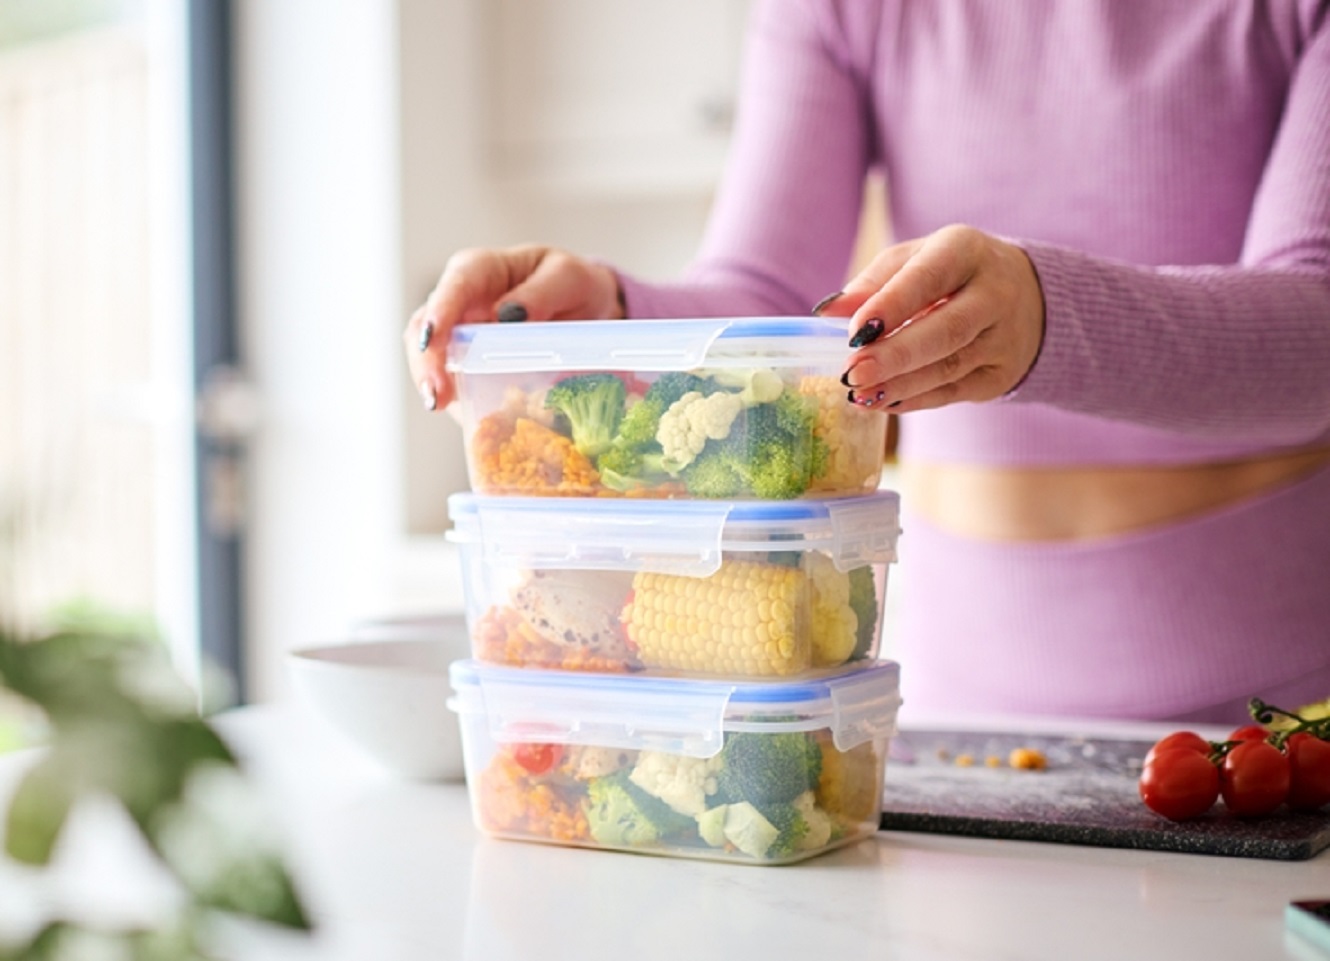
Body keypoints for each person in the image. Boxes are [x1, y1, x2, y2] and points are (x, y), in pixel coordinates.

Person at [405, 1, 1330, 724]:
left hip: (1275, 711)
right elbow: (773, 295)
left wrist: (1048, 315)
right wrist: (614, 313)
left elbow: (1315, 325)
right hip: (951, 701)